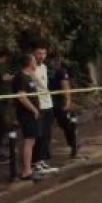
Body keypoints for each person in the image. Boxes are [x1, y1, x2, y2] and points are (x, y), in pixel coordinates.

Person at [10, 54, 43, 182]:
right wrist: (33, 109)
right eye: (34, 61)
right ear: (29, 63)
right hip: (26, 114)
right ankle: (26, 171)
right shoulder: (21, 77)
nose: (36, 63)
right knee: (29, 141)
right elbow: (21, 96)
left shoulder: (29, 77)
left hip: (31, 114)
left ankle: (28, 168)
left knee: (31, 141)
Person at [30, 44, 58, 174]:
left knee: (47, 134)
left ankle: (42, 160)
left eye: (44, 53)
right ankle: (35, 162)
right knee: (39, 135)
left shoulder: (44, 67)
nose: (41, 56)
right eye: (39, 53)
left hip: (48, 104)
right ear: (33, 54)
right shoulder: (30, 69)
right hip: (38, 105)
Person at [49, 53, 81, 159]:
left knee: (66, 124)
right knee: (64, 125)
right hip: (53, 102)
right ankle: (73, 144)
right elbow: (65, 86)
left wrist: (67, 101)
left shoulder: (59, 71)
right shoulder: (52, 71)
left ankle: (74, 144)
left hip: (57, 102)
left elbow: (65, 87)